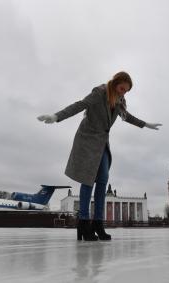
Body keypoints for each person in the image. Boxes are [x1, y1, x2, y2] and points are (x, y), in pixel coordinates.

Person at [37, 71, 161, 241]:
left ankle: (98, 223)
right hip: (87, 140)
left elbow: (126, 117)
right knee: (88, 180)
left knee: (103, 179)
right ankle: (83, 223)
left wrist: (145, 124)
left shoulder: (120, 101)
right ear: (115, 83)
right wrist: (56, 116)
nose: (123, 92)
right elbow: (79, 105)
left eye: (126, 91)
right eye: (122, 88)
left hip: (102, 143)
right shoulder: (100, 93)